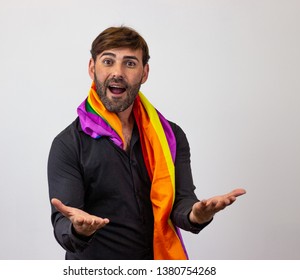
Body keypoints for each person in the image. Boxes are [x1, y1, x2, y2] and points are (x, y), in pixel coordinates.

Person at [48, 26, 246, 260]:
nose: (117, 72)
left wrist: (196, 215)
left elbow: (181, 203)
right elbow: (64, 223)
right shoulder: (68, 144)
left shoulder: (171, 135)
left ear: (144, 73)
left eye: (130, 63)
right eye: (108, 61)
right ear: (92, 68)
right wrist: (77, 229)